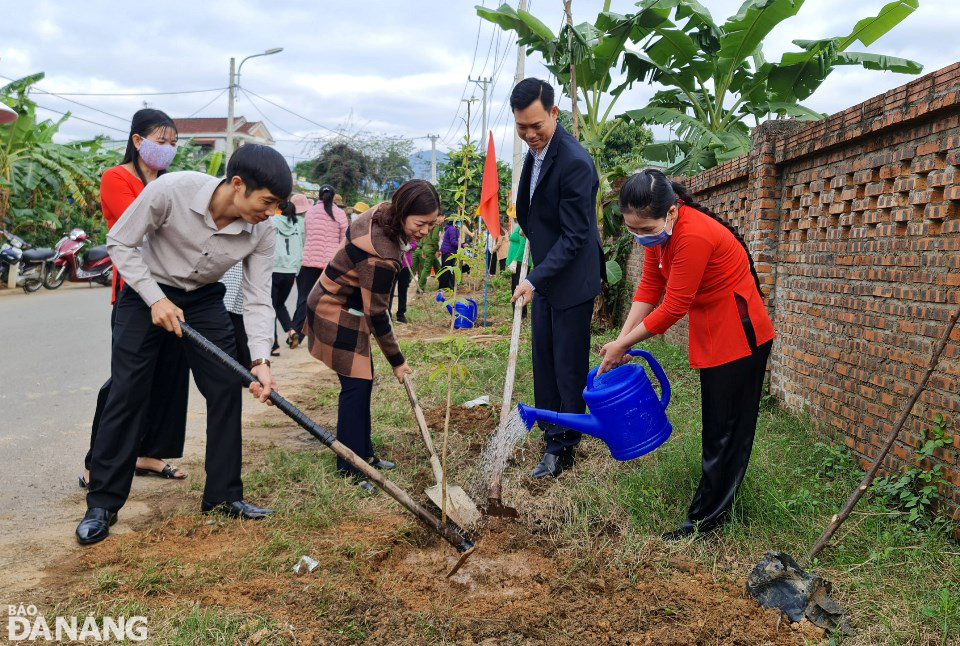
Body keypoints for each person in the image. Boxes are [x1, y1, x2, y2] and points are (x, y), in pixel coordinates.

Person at [75, 144, 291, 546]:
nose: (270, 212)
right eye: (267, 202)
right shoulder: (171, 190)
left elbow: (259, 296)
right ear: (238, 184)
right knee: (128, 392)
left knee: (227, 386)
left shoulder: (263, 228)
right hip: (146, 293)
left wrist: (260, 359)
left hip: (204, 299)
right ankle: (102, 503)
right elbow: (120, 242)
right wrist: (155, 299)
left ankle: (225, 496)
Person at [597, 168, 775, 541]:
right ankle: (712, 510)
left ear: (672, 211)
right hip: (714, 327)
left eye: (646, 229)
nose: (641, 237)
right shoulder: (660, 236)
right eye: (634, 230)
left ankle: (705, 522)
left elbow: (674, 305)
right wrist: (620, 339)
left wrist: (625, 344)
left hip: (739, 333)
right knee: (717, 425)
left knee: (726, 431)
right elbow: (649, 287)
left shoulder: (693, 235)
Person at [304, 180, 440, 493]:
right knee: (355, 386)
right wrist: (398, 361)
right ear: (403, 213)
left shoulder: (383, 214)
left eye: (431, 224)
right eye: (420, 224)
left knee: (362, 381)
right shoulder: (382, 253)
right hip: (333, 310)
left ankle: (364, 454)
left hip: (345, 307)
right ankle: (350, 466)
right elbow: (377, 313)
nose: (424, 231)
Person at [83, 108, 190, 489]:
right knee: (124, 383)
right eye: (162, 142)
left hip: (173, 291)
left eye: (174, 144)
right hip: (134, 290)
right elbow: (138, 226)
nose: (168, 150)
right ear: (137, 141)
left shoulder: (169, 181)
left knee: (167, 375)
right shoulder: (116, 177)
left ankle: (147, 454)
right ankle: (97, 462)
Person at [510, 78, 604, 479]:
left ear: (554, 113)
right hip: (545, 274)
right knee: (544, 360)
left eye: (537, 126)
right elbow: (533, 213)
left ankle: (563, 450)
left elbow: (576, 236)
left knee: (567, 366)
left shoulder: (575, 163)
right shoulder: (536, 154)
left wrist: (535, 278)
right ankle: (551, 430)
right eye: (521, 127)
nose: (530, 135)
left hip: (571, 279)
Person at [292, 185, 348, 344]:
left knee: (304, 298)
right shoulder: (340, 214)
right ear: (334, 196)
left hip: (308, 262)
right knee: (327, 301)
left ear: (318, 196)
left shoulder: (310, 212)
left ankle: (296, 332)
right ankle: (324, 336)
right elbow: (343, 242)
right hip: (329, 266)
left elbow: (307, 235)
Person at [271, 194, 307, 352]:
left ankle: (274, 346)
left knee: (270, 307)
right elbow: (301, 246)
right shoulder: (298, 224)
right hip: (291, 271)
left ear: (279, 209)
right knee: (279, 304)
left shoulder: (272, 221)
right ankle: (292, 331)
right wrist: (297, 270)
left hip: (274, 269)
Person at [220, 262, 251, 369]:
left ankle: (243, 370)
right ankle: (245, 370)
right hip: (236, 287)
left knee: (235, 333)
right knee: (239, 331)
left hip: (230, 286)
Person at [413, 211, 444, 292]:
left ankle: (443, 284)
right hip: (431, 248)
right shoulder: (437, 225)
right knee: (426, 269)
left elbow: (423, 236)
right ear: (440, 217)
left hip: (426, 247)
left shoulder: (430, 224)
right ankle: (420, 288)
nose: (443, 219)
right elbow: (435, 238)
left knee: (437, 266)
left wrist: (423, 248)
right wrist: (437, 249)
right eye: (443, 217)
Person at [505, 220, 529, 319]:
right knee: (516, 288)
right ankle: (519, 314)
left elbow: (523, 245)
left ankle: (520, 315)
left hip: (520, 263)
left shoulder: (522, 227)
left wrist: (515, 260)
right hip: (517, 263)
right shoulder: (519, 226)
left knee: (518, 289)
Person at [389, 239, 416, 323]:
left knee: (403, 290)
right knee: (390, 290)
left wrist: (409, 247)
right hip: (393, 264)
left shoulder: (409, 232)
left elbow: (414, 245)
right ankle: (387, 314)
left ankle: (401, 315)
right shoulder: (393, 232)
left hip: (405, 264)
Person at [438, 219, 460, 291]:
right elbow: (453, 242)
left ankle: (447, 286)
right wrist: (462, 245)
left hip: (448, 251)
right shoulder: (453, 229)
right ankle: (445, 287)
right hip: (449, 252)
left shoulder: (450, 228)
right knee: (448, 270)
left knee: (446, 269)